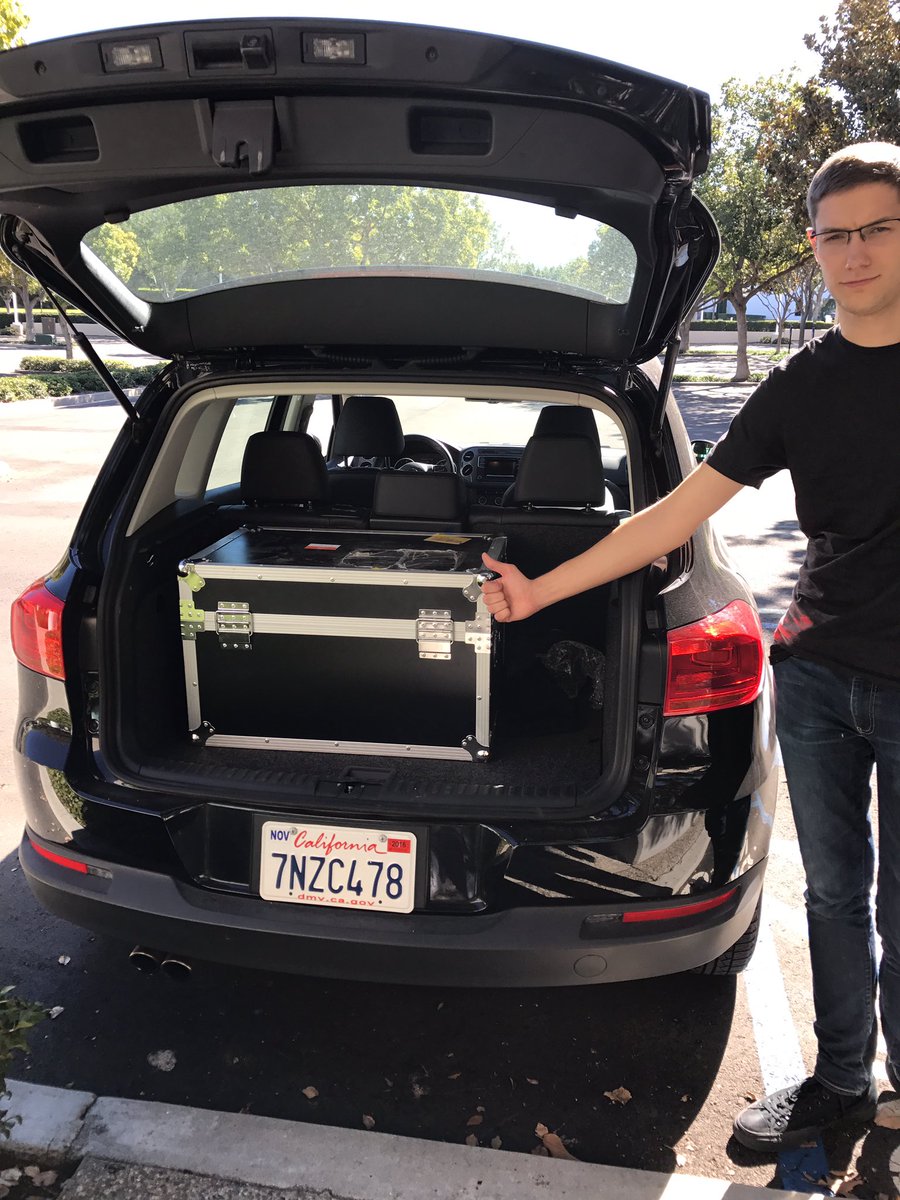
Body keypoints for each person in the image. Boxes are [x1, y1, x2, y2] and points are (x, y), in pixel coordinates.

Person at [481, 141, 900, 1153]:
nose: (856, 252)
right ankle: (842, 1081)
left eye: (879, 229)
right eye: (836, 234)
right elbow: (668, 519)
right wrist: (540, 591)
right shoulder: (800, 386)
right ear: (812, 246)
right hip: (820, 679)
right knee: (834, 894)